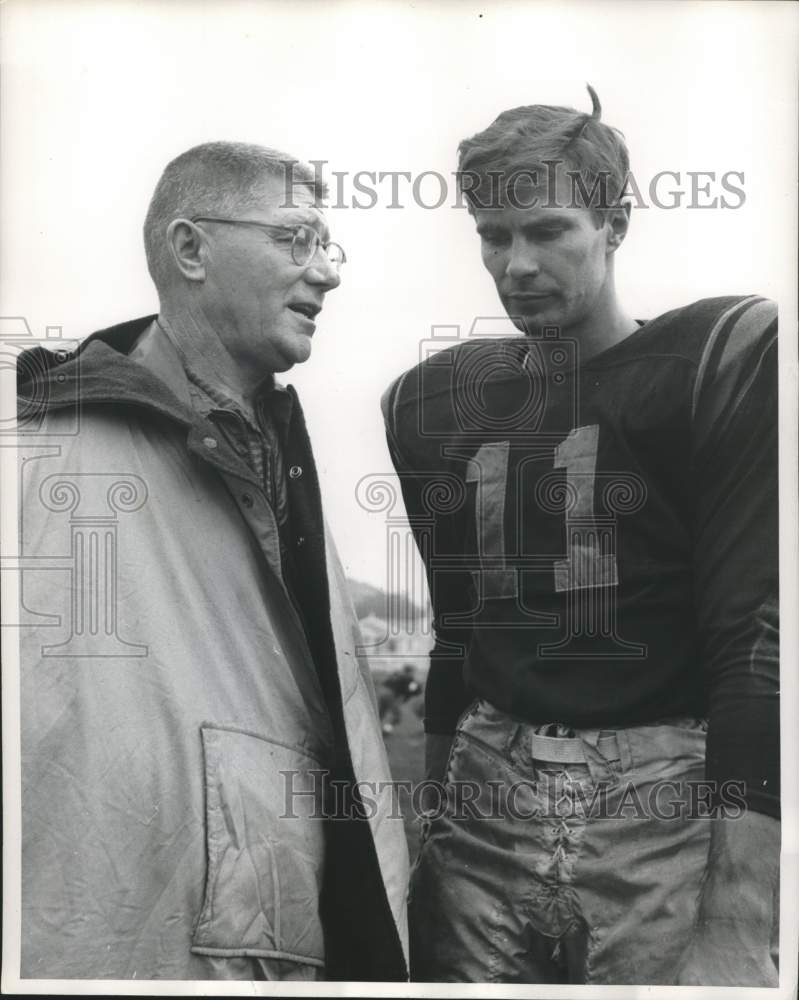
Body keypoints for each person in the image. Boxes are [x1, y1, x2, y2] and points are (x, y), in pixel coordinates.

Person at [382, 88, 779, 986]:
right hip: (485, 801)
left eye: (547, 230)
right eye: (492, 235)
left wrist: (741, 917)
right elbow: (460, 637)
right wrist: (431, 838)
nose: (515, 263)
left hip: (664, 800)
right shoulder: (434, 404)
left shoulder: (715, 360)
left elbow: (752, 646)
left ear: (614, 223)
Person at [17, 141, 408, 982]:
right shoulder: (40, 453)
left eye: (327, 246)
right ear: (192, 249)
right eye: (295, 239)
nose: (327, 272)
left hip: (270, 939)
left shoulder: (279, 453)